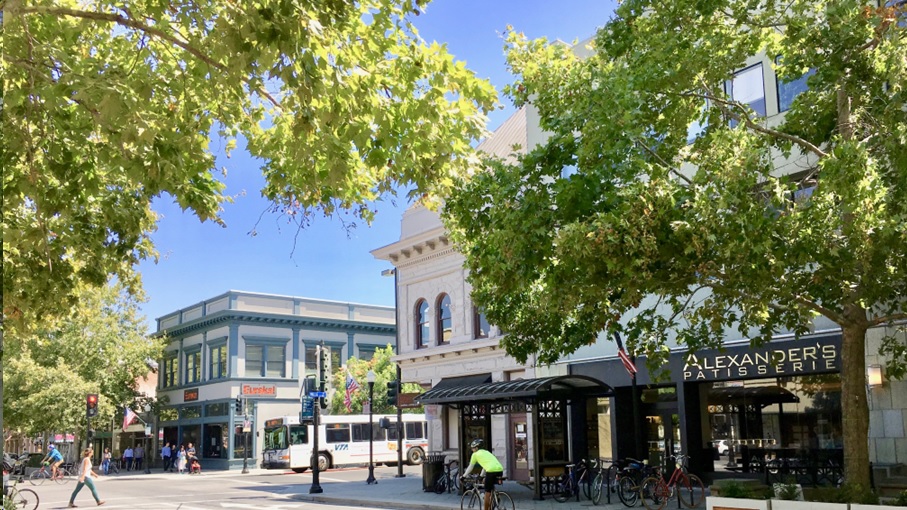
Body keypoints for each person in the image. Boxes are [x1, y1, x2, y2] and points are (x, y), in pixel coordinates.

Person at [463, 438, 504, 510]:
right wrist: (481, 476)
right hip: (500, 469)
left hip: (491, 471)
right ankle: (495, 498)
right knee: (488, 484)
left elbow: (470, 467)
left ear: (476, 448)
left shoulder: (475, 454)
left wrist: (463, 476)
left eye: (473, 448)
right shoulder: (487, 452)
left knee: (487, 492)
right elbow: (485, 466)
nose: (472, 449)